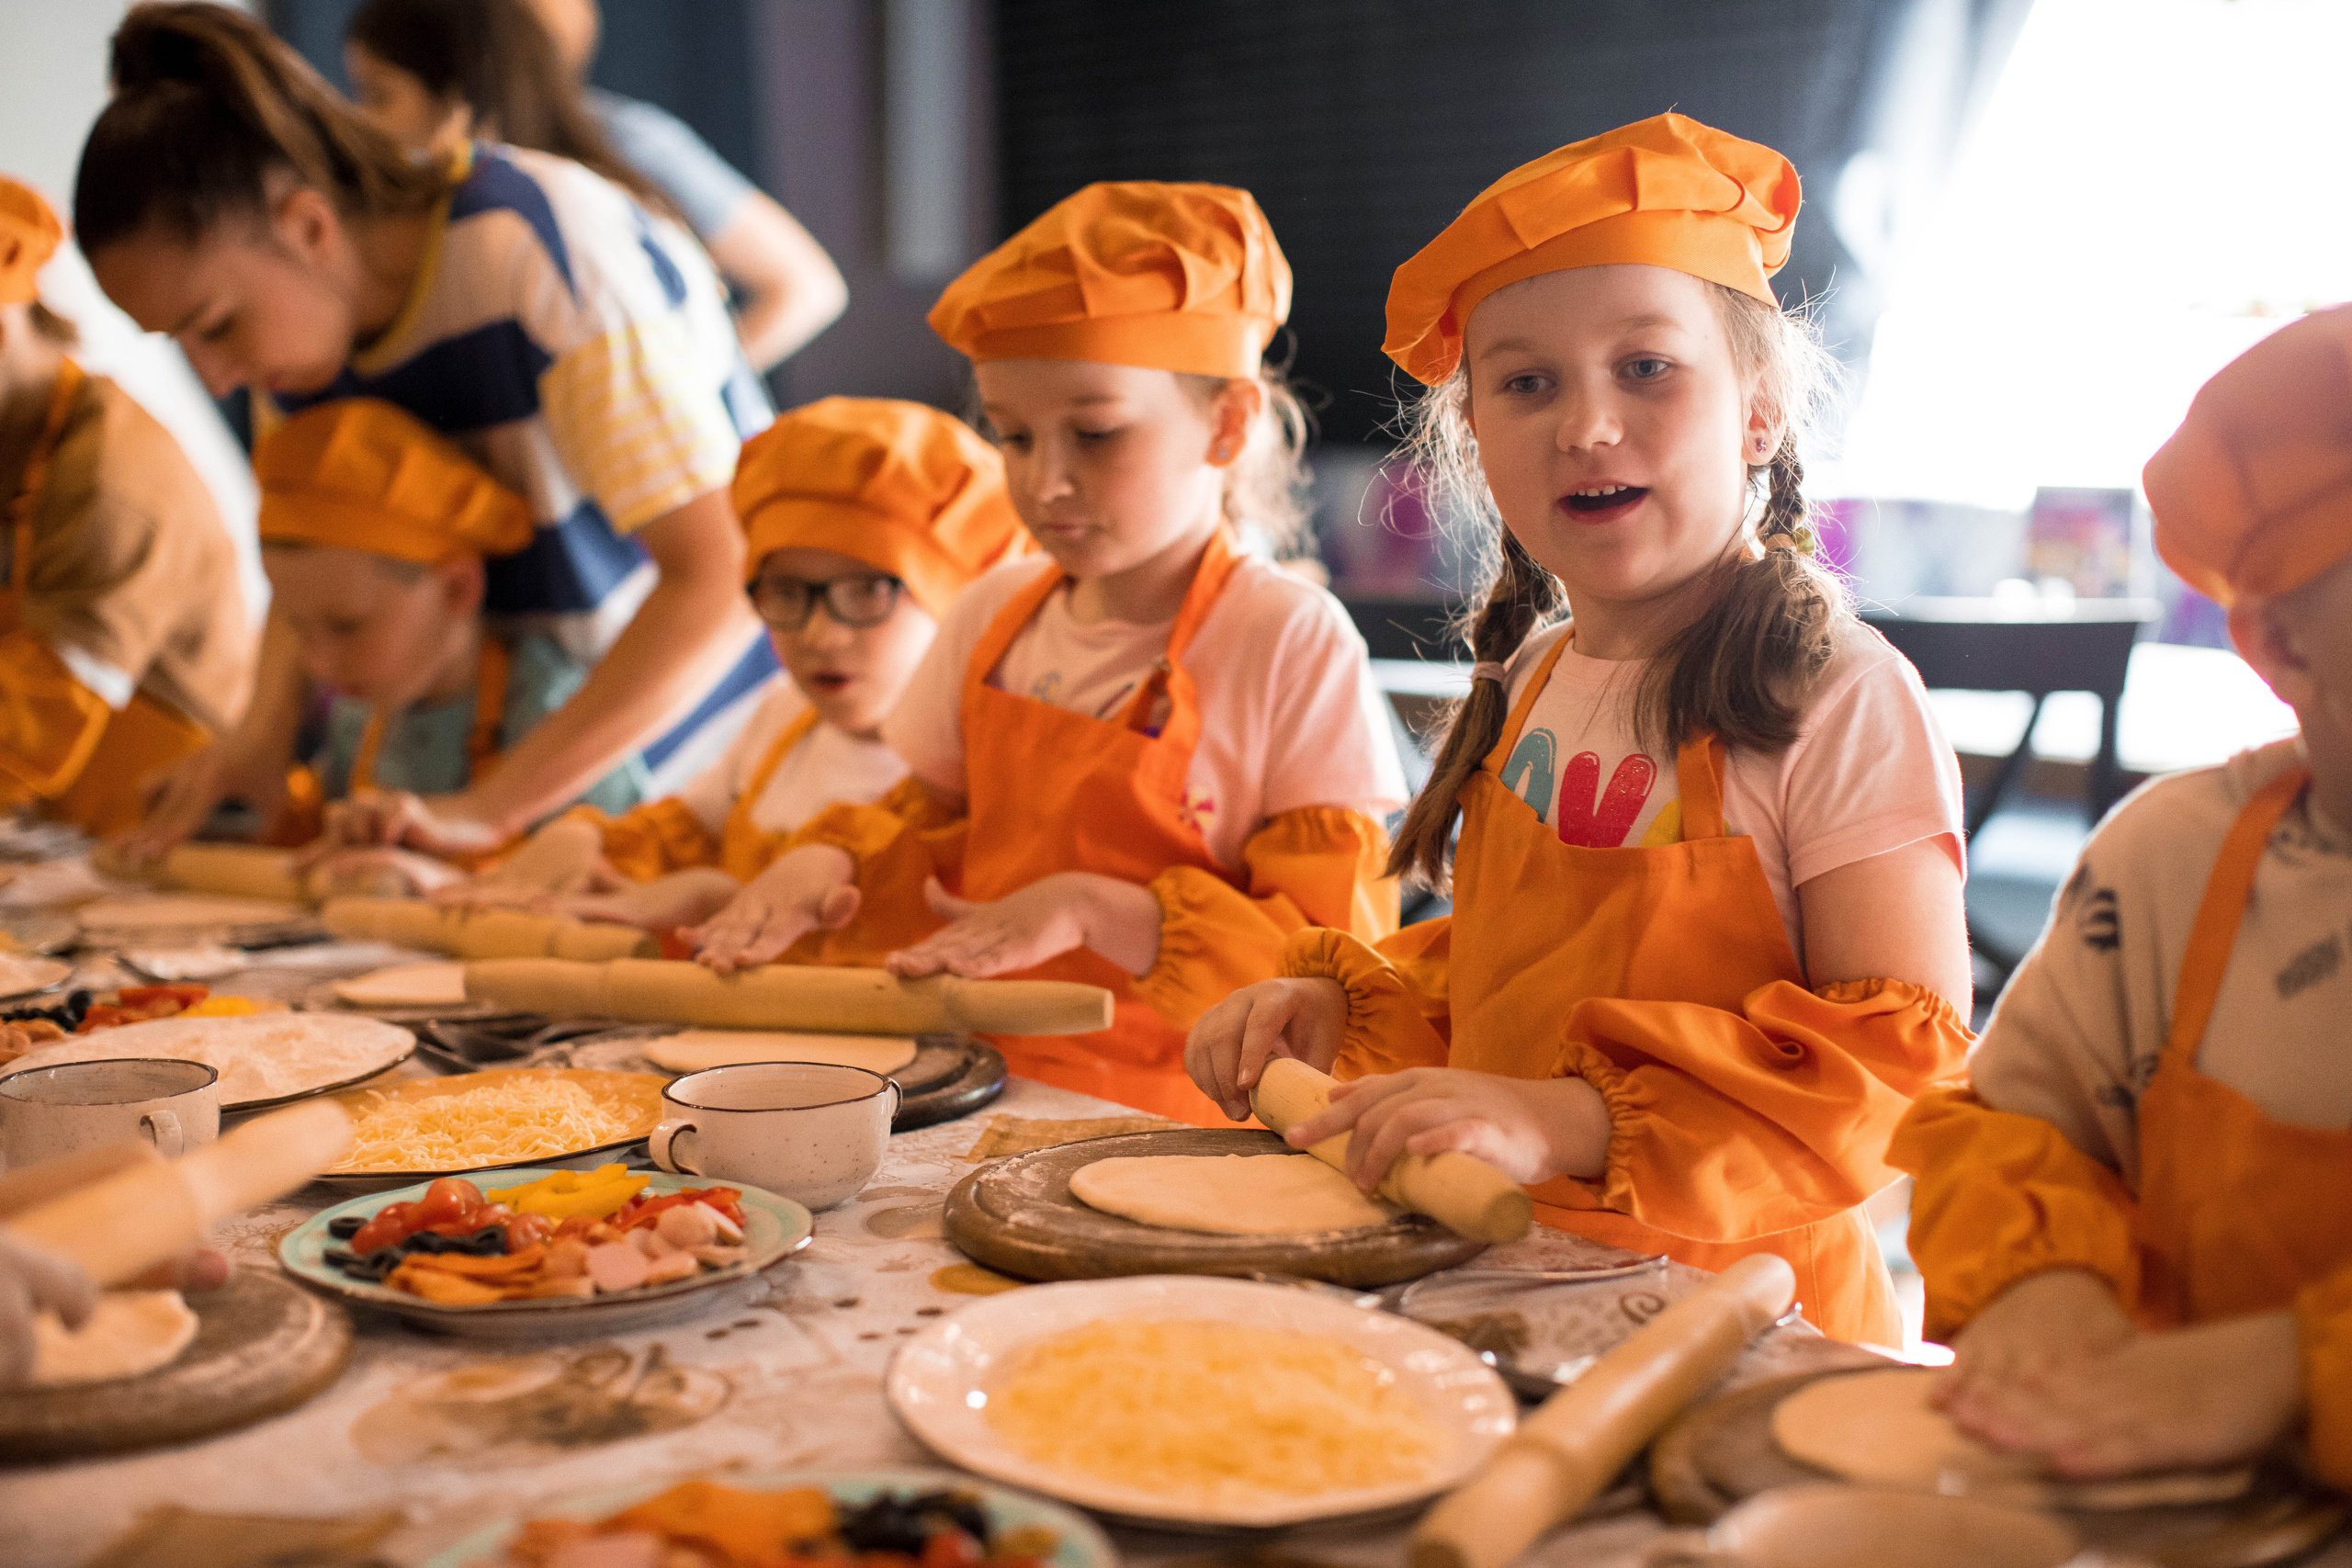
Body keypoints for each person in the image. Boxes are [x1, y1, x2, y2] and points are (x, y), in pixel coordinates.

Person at [1185, 115, 1975, 1345]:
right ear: (1477, 443)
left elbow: (1893, 1071)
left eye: (1647, 367)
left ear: (1760, 412)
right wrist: (1351, 1012)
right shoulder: (1541, 673)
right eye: (1526, 381)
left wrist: (1570, 1118)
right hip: (1502, 1284)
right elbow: (1522, 980)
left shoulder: (1835, 695)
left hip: (1737, 1331)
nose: (1586, 424)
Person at [697, 181, 1408, 1126]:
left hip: (1188, 1117)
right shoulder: (995, 611)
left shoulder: (1284, 637)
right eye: (1014, 435)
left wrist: (1095, 909)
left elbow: (1335, 968)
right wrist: (829, 861)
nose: (1045, 482)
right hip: (972, 1080)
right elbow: (924, 820)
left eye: (1095, 432)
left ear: (1227, 422)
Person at [80, 4, 779, 863]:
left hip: (707, 787)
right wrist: (258, 744)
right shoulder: (299, 343)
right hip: (512, 794)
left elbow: (721, 574)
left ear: (308, 228)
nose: (214, 376)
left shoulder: (535, 243)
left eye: (215, 325)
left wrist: (488, 805)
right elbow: (307, 565)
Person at [1891, 307, 2352, 1488]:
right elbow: (2011, 1127)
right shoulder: (2171, 869)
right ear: (2282, 650)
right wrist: (2039, 1287)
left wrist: (2296, 1370)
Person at [471, 395, 1029, 932]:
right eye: (787, 592)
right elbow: (683, 833)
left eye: (865, 593)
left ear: (960, 603)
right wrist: (589, 843)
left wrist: (720, 901)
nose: (821, 634)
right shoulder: (782, 719)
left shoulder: (973, 769)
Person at [252, 398, 646, 889]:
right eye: (297, 627)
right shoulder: (361, 715)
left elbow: (617, 892)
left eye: (346, 626)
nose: (316, 661)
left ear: (458, 588)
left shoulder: (548, 708)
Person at [342, 0, 845, 376]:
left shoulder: (627, 147)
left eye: (377, 95)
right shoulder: (433, 203)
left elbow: (806, 286)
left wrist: (690, 390)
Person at [0, 175, 252, 837]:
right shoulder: (15, 442)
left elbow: (28, 730)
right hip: (58, 827)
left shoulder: (113, 480)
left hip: (186, 828)